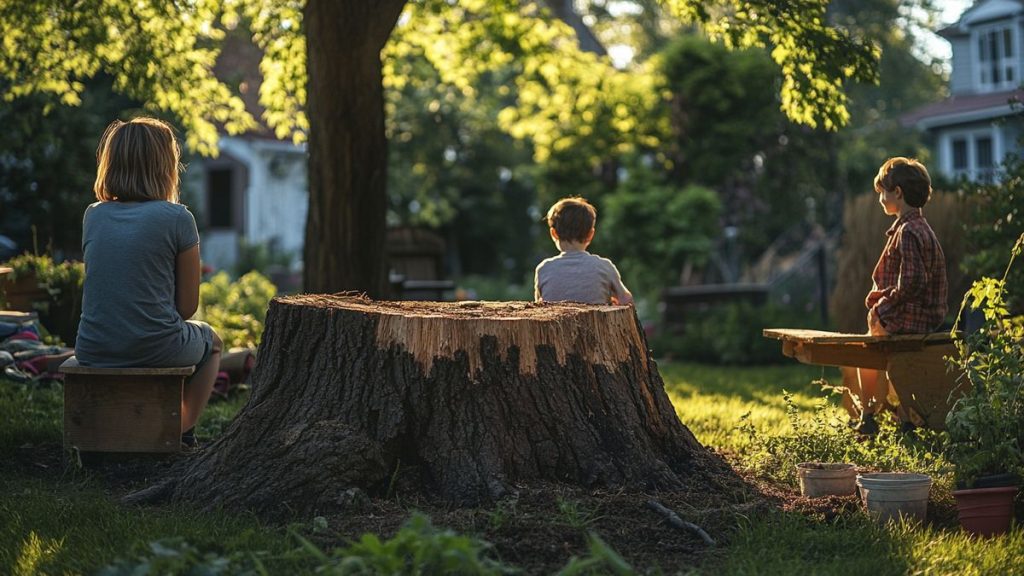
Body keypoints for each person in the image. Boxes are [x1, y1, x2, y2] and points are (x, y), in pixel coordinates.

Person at [75, 117, 222, 448]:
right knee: (213, 343)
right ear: (165, 166)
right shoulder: (178, 218)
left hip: (94, 347)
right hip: (156, 345)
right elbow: (187, 307)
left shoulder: (93, 215)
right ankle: (182, 429)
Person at [854, 157, 947, 435]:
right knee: (880, 345)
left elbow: (911, 282)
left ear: (898, 193)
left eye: (883, 191)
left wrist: (881, 302)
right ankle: (900, 417)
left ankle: (867, 415)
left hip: (909, 317)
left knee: (865, 352)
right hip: (926, 317)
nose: (880, 198)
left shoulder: (907, 231)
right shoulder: (922, 229)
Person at [534, 197, 634, 306]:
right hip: (597, 323)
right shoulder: (604, 266)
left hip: (555, 323)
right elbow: (626, 299)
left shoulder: (544, 269)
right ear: (590, 234)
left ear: (554, 233)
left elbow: (539, 305)